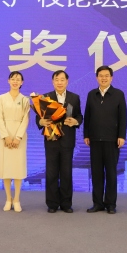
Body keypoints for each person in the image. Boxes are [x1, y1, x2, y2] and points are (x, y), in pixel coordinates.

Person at [37, 70, 83, 213]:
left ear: (67, 82)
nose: (59, 82)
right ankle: (52, 204)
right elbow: (39, 117)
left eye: (62, 79)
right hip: (51, 140)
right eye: (57, 79)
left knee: (66, 173)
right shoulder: (46, 98)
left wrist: (75, 121)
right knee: (51, 173)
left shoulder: (74, 98)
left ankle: (66, 203)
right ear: (53, 82)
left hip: (68, 140)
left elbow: (79, 116)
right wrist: (40, 121)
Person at [83, 65, 127, 214]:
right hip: (95, 139)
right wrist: (86, 135)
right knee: (96, 173)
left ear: (111, 78)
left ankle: (111, 204)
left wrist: (121, 136)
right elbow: (87, 116)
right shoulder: (91, 94)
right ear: (97, 78)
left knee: (111, 173)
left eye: (106, 76)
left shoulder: (118, 94)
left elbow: (123, 117)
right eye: (101, 76)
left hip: (112, 140)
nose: (103, 78)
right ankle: (97, 203)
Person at [0, 71, 30, 212]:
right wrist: (5, 136)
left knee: (17, 168)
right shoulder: (1, 98)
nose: (15, 81)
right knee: (6, 169)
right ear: (8, 81)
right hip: (4, 136)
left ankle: (16, 199)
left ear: (22, 82)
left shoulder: (25, 100)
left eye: (18, 79)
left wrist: (18, 137)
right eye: (13, 79)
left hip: (19, 137)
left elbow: (25, 119)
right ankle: (8, 199)